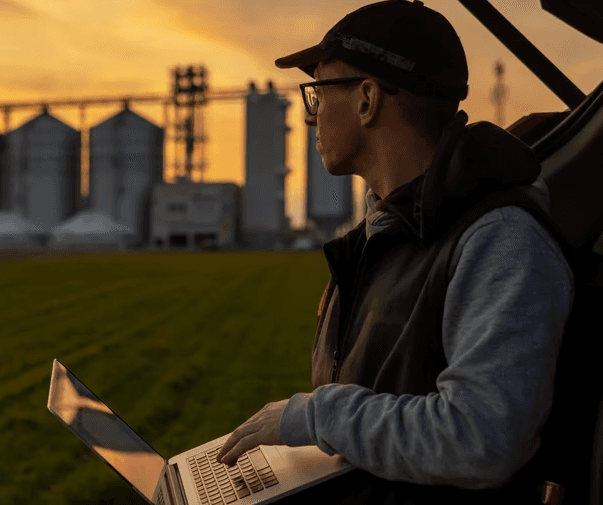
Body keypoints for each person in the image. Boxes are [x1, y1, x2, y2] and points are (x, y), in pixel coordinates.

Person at [214, 1, 576, 503]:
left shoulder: (499, 241)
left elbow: (481, 439)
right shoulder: (380, 237)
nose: (311, 117)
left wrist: (318, 416)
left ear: (367, 100)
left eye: (318, 93)